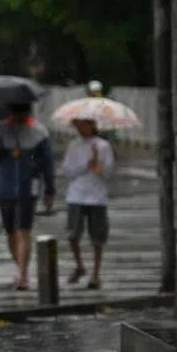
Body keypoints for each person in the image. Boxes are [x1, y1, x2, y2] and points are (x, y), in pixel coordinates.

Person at [0, 103, 55, 291]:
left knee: (23, 231)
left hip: (27, 189)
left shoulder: (38, 133)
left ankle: (23, 275)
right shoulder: (0, 130)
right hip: (4, 190)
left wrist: (49, 189)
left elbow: (48, 163)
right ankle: (20, 268)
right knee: (11, 234)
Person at [61, 117, 115, 290]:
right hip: (76, 195)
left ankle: (96, 274)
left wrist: (98, 166)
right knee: (73, 233)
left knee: (97, 237)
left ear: (92, 125)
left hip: (97, 197)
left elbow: (108, 172)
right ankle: (79, 265)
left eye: (84, 124)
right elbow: (68, 171)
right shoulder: (74, 146)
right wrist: (87, 164)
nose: (80, 128)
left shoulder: (103, 146)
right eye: (78, 125)